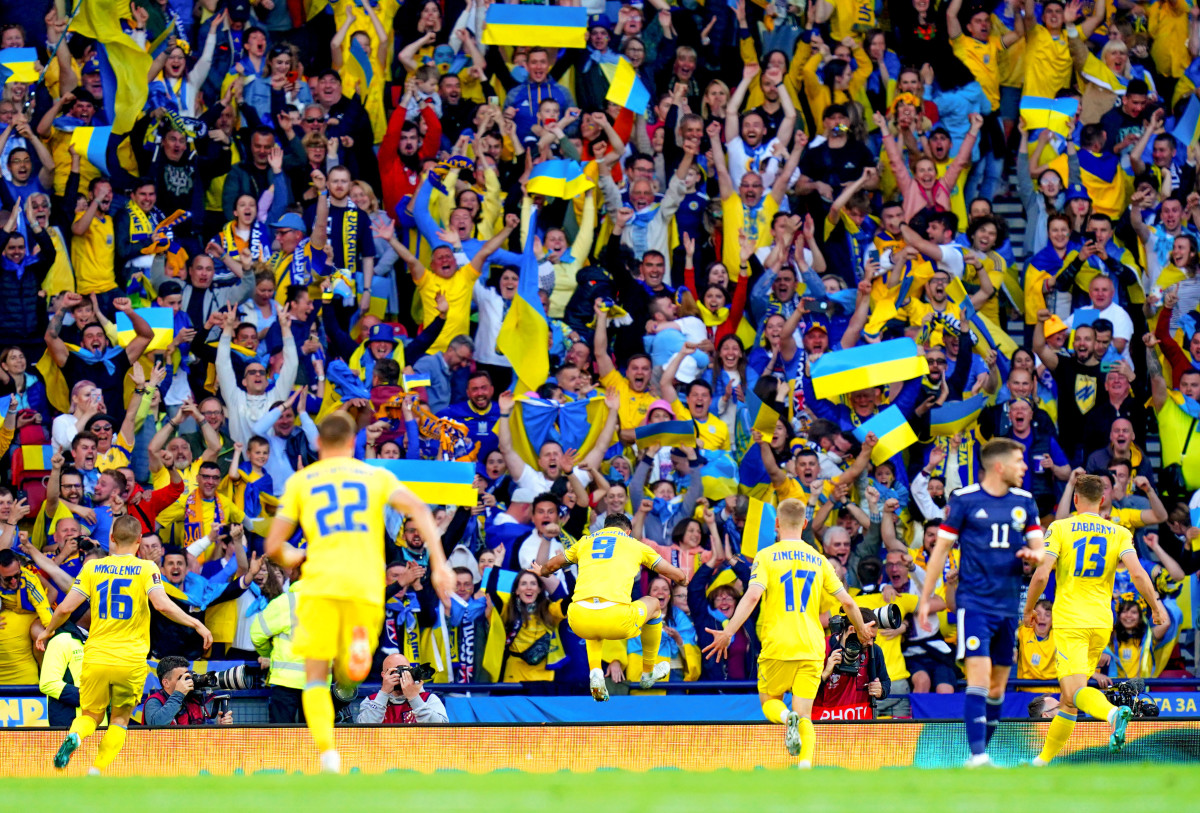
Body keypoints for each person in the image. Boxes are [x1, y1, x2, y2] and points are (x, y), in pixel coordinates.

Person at [264, 412, 452, 773]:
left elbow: (275, 545)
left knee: (316, 676)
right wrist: (440, 563)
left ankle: (328, 755)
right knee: (355, 670)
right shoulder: (374, 475)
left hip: (320, 584)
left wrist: (298, 554)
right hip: (365, 586)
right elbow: (417, 508)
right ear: (353, 444)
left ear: (319, 444)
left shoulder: (302, 481)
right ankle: (359, 651)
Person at [702, 498, 874, 766]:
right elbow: (848, 602)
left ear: (777, 524)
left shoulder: (766, 556)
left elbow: (751, 597)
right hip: (812, 646)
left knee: (770, 701)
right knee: (805, 714)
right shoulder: (819, 560)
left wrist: (728, 633)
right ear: (805, 524)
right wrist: (862, 630)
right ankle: (804, 767)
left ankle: (785, 718)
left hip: (778, 644)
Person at [35, 515, 213, 773]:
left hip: (95, 656)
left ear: (111, 538)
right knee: (119, 719)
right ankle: (95, 771)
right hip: (130, 660)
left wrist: (48, 631)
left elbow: (65, 608)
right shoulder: (146, 569)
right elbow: (162, 605)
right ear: (140, 541)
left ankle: (75, 737)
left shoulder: (92, 568)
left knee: (89, 717)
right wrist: (196, 623)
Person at [918, 438, 1045, 767]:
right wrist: (925, 598)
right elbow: (940, 552)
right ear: (999, 466)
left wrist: (1035, 554)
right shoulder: (964, 500)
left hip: (1007, 608)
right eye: (1020, 462)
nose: (1025, 468)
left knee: (996, 687)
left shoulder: (1025, 501)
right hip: (973, 604)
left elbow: (1039, 547)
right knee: (978, 675)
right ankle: (978, 755)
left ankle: (977, 755)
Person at [1025, 474, 1167, 764]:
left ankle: (1113, 714)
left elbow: (1041, 574)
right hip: (1102, 623)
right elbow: (1138, 574)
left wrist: (1028, 609)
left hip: (1071, 622)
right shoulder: (1118, 532)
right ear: (1102, 499)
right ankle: (1042, 762)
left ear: (1076, 499)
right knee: (1068, 700)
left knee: (1074, 691)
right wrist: (1155, 606)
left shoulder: (1060, 528)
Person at [538, 514, 687, 701]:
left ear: (604, 529)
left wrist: (540, 570)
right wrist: (683, 578)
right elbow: (674, 574)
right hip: (616, 618)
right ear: (628, 531)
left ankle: (595, 673)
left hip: (578, 618)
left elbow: (551, 565)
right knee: (654, 604)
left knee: (593, 612)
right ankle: (648, 671)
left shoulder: (585, 542)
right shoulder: (635, 545)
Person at [355, 653, 449, 724]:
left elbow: (442, 731)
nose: (402, 676)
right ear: (384, 675)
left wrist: (414, 698)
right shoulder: (371, 700)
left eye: (405, 671)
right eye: (395, 671)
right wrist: (383, 694)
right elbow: (363, 731)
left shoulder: (428, 699)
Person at [144, 655, 234, 725]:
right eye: (181, 678)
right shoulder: (154, 701)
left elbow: (201, 734)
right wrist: (178, 694)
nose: (187, 681)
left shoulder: (193, 699)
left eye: (187, 676)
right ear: (166, 683)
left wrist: (218, 726)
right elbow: (156, 725)